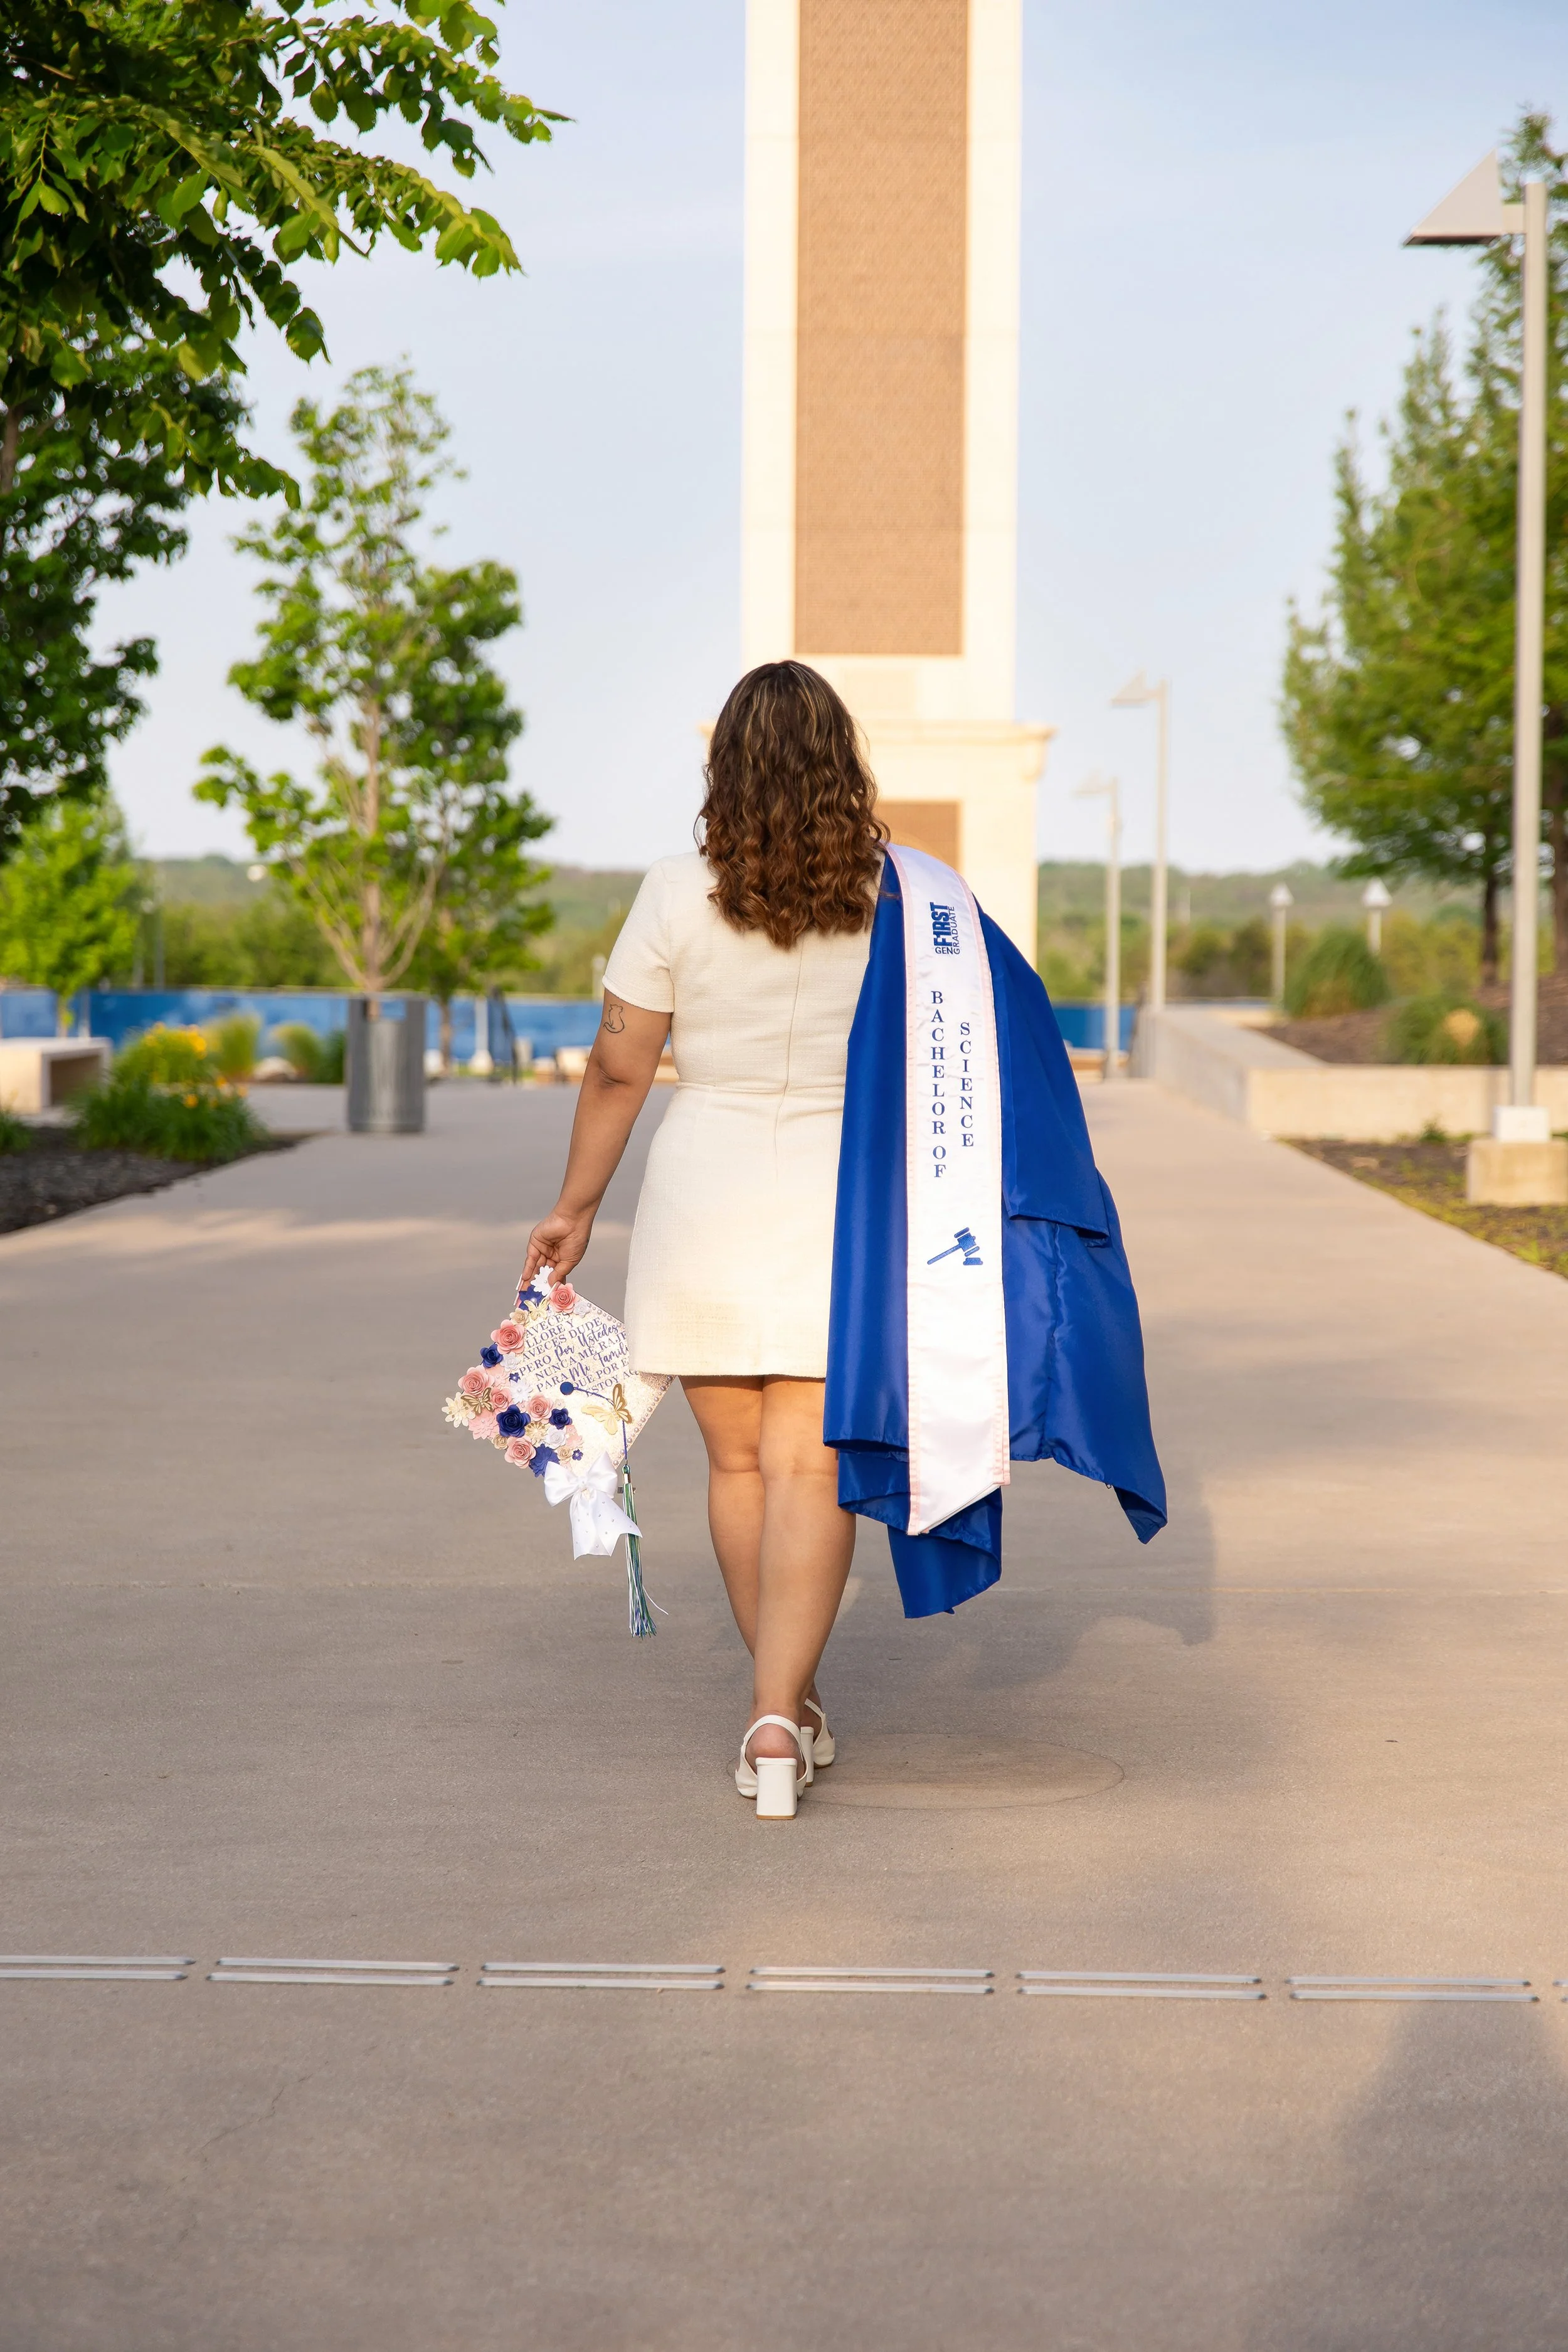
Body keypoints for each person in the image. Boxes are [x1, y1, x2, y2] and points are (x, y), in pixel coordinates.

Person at [521, 660, 881, 1818]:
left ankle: (778, 1712)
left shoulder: (677, 892)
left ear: (725, 763)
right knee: (814, 1466)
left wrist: (574, 1206)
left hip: (706, 1194)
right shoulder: (903, 894)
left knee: (738, 1466)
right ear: (844, 760)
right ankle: (785, 1710)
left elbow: (621, 1063)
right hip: (847, 1198)